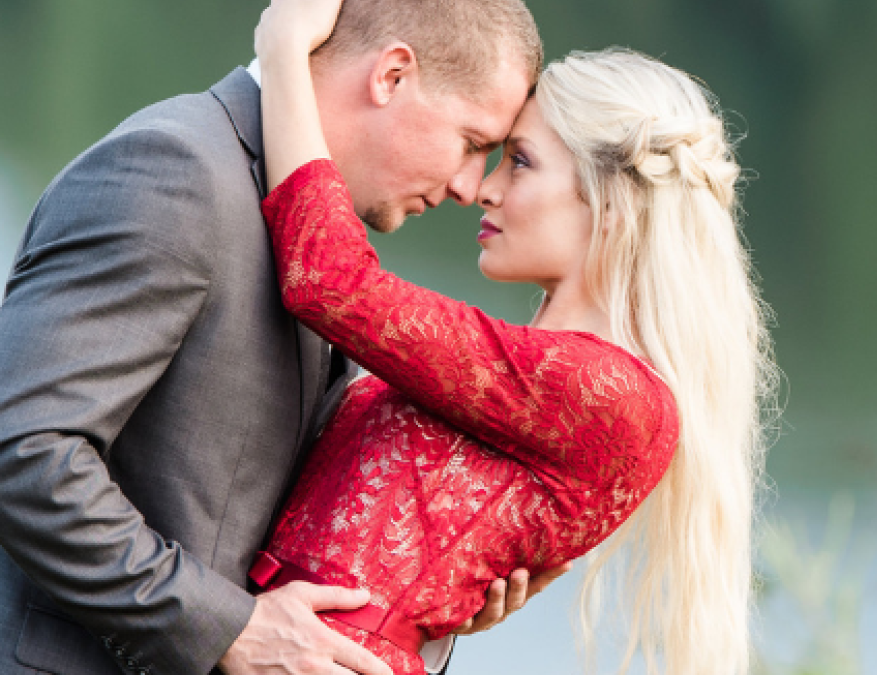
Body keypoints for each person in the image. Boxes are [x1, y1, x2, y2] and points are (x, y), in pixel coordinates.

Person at [0, 1, 566, 673]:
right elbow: (27, 449)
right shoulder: (178, 170)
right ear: (391, 75)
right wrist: (227, 630)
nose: (470, 188)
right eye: (473, 143)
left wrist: (425, 584)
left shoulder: (323, 229)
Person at [249, 1, 778, 673]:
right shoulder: (536, 374)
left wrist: (284, 51)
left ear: (609, 202)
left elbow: (329, 281)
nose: (481, 189)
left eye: (519, 162)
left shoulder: (611, 394)